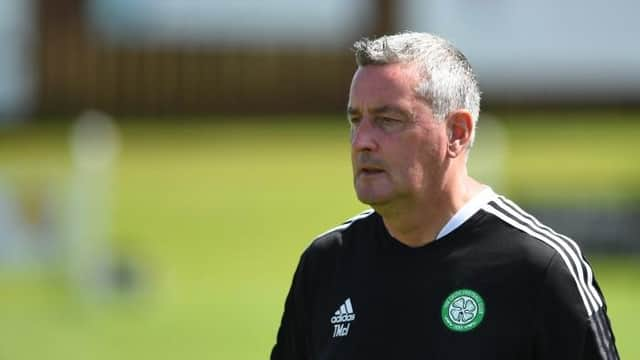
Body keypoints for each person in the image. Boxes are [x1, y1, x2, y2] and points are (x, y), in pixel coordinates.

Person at [271, 32, 619, 359]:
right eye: (355, 120)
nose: (362, 141)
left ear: (457, 132)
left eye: (388, 120)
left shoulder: (539, 268)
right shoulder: (326, 263)